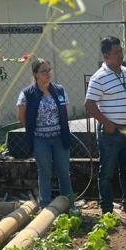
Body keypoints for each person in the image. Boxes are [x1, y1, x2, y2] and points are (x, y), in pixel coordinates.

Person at [85, 36, 126, 215]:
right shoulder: (99, 77)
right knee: (107, 172)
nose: (120, 55)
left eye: (121, 51)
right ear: (106, 56)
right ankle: (107, 209)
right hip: (110, 133)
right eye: (116, 52)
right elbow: (89, 104)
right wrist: (107, 124)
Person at [17, 58, 74, 208]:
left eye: (49, 70)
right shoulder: (27, 94)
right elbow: (22, 117)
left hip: (60, 138)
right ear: (35, 74)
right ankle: (46, 206)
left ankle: (69, 204)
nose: (48, 74)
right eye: (43, 71)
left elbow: (65, 113)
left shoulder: (59, 90)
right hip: (40, 139)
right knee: (45, 172)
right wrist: (34, 131)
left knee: (64, 172)